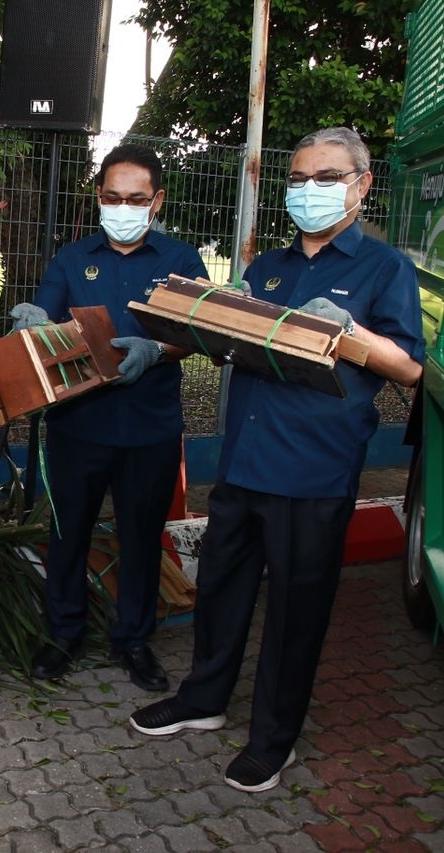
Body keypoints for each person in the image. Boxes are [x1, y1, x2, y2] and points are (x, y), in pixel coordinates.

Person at [130, 127, 423, 792]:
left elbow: (409, 367)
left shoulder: (384, 269)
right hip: (243, 461)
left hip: (314, 471)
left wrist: (350, 333)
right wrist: (193, 326)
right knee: (222, 591)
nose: (309, 190)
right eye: (298, 179)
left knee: (296, 610)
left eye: (326, 177)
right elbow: (242, 344)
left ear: (362, 184)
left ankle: (274, 737)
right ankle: (204, 698)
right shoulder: (269, 267)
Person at [11, 143, 208, 690]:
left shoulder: (181, 262)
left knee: (141, 537)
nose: (123, 207)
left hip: (149, 427)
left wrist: (158, 351)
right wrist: (32, 321)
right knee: (68, 533)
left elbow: (193, 331)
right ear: (98, 198)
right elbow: (45, 318)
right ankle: (63, 633)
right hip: (79, 425)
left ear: (157, 200)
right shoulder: (72, 258)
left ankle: (134, 639)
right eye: (113, 197)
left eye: (136, 198)